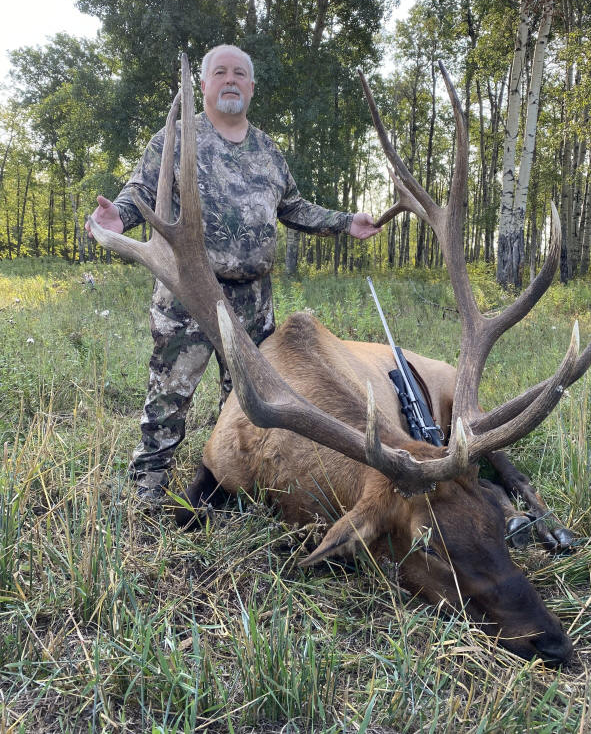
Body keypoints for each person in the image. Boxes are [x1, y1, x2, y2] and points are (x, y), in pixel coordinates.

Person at [87, 44, 381, 501]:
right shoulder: (175, 138)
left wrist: (346, 222)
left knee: (248, 403)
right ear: (204, 84)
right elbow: (141, 191)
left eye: (239, 73)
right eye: (219, 72)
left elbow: (294, 207)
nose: (230, 80)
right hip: (187, 294)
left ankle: (231, 487)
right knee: (169, 396)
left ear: (251, 86)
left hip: (252, 302)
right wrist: (118, 218)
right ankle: (147, 485)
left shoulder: (268, 150)